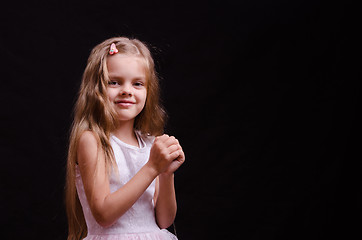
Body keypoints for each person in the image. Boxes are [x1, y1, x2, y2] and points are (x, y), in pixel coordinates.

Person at [65, 37, 185, 240]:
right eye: (114, 82)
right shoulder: (92, 140)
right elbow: (103, 214)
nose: (127, 90)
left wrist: (166, 174)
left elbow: (164, 220)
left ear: (149, 91)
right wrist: (152, 167)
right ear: (96, 89)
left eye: (137, 83)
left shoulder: (150, 143)